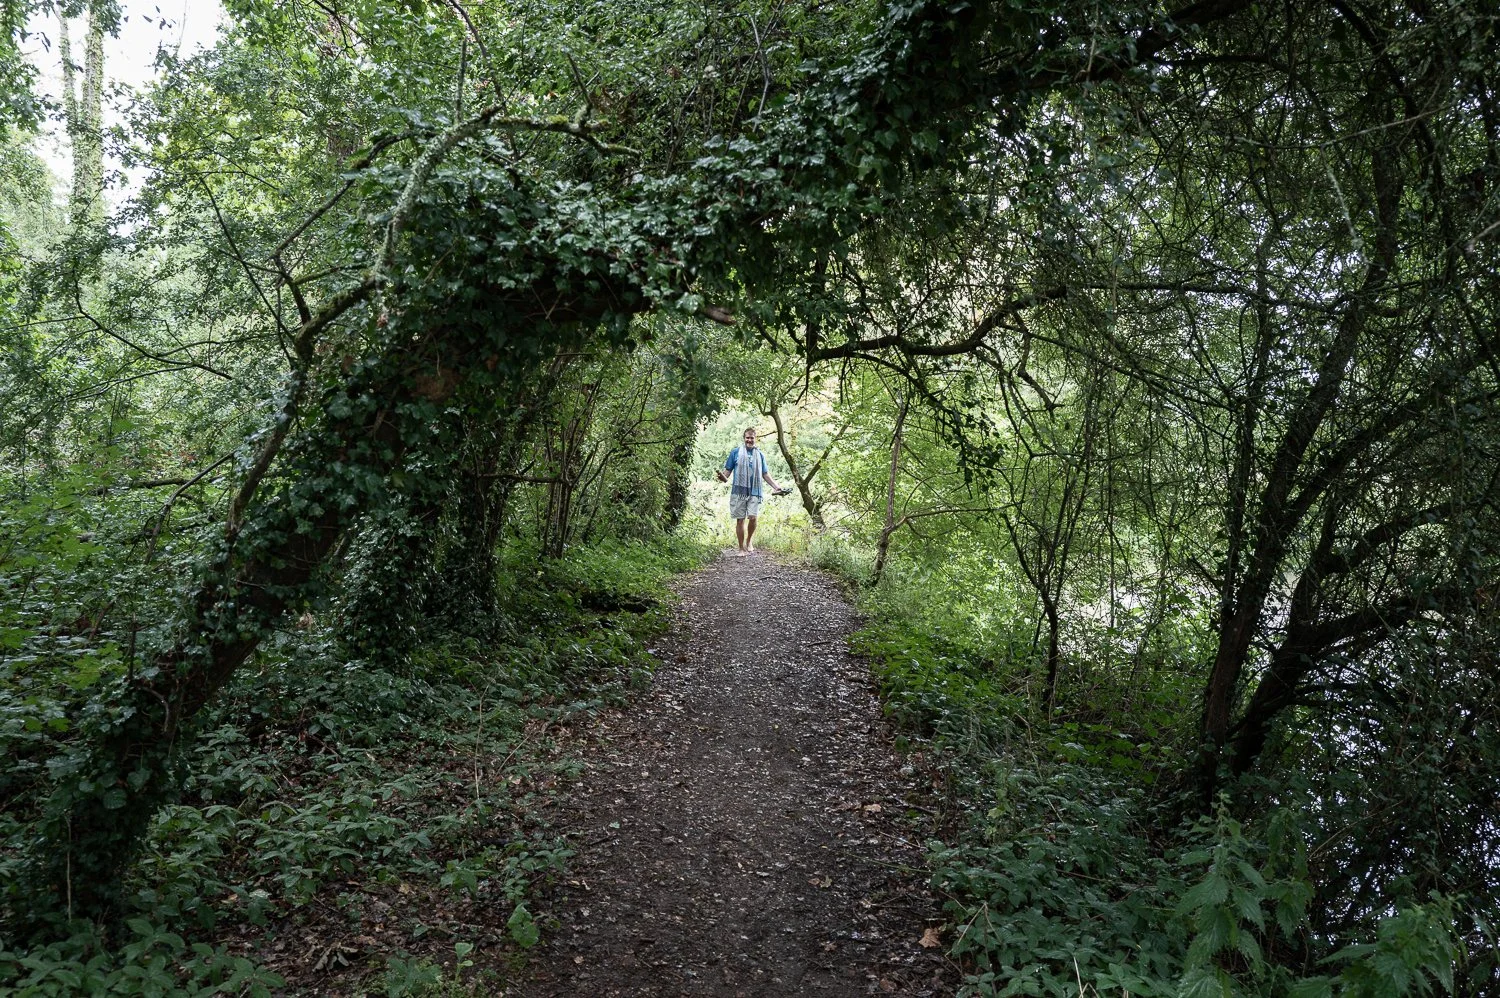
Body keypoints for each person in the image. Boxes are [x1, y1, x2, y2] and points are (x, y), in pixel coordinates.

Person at [715, 426, 786, 556]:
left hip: (755, 490)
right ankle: (741, 549)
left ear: (755, 439)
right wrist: (721, 477)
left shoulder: (760, 455)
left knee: (752, 518)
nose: (749, 440)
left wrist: (776, 486)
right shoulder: (735, 453)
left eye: (751, 438)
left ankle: (749, 541)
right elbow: (727, 474)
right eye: (747, 438)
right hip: (739, 491)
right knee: (740, 519)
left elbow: (765, 473)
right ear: (744, 438)